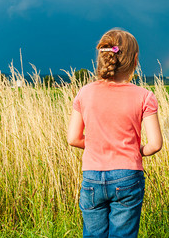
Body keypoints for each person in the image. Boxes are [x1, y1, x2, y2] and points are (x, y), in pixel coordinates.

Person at [67, 29, 162, 238]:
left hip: (91, 176)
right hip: (127, 175)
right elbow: (155, 144)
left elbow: (73, 138)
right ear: (135, 60)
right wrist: (133, 149)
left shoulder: (84, 93)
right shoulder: (145, 96)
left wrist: (97, 143)